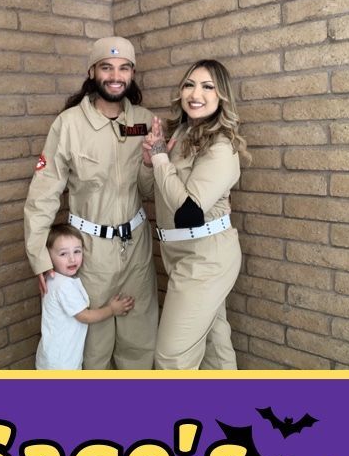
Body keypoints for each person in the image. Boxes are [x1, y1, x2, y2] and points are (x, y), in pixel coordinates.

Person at [24, 37, 159, 370]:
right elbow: (43, 193)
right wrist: (39, 255)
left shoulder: (144, 120)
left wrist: (147, 162)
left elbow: (148, 189)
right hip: (89, 251)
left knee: (140, 340)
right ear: (92, 71)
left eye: (124, 68)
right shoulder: (68, 124)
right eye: (107, 67)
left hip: (136, 247)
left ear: (132, 73)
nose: (116, 76)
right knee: (94, 346)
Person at [143, 60, 249, 371]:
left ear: (222, 97)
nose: (195, 93)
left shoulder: (220, 147)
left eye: (207, 86)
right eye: (190, 84)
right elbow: (151, 191)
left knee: (171, 357)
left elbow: (188, 213)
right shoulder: (180, 135)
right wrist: (151, 161)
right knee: (215, 343)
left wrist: (162, 158)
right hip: (178, 253)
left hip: (207, 258)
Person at [36, 224, 135, 370]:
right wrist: (112, 309)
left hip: (51, 356)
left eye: (77, 251)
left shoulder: (50, 278)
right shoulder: (64, 286)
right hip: (62, 362)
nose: (72, 259)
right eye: (63, 254)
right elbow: (85, 316)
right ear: (48, 255)